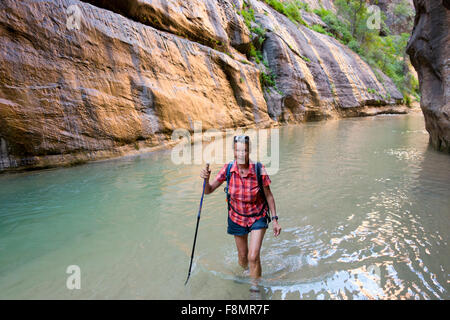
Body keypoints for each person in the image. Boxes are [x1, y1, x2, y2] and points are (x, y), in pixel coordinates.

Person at [200, 135, 281, 287]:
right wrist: (205, 179)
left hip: (258, 216)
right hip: (237, 217)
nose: (241, 154)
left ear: (249, 151)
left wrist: (275, 219)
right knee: (243, 257)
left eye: (244, 150)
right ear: (234, 151)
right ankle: (248, 275)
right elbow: (208, 190)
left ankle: (255, 289)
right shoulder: (229, 168)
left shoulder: (259, 169)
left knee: (252, 256)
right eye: (238, 150)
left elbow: (269, 196)